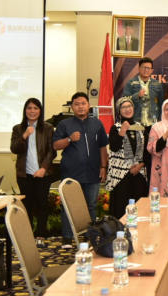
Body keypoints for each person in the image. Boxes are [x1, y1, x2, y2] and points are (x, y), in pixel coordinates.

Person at [52, 92, 109, 248]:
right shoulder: (64, 124)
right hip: (71, 172)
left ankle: (88, 236)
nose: (80, 107)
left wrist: (103, 166)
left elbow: (103, 147)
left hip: (92, 172)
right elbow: (55, 145)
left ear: (88, 105)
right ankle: (67, 238)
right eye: (77, 104)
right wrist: (70, 139)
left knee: (91, 205)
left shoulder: (97, 124)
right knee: (68, 205)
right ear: (72, 107)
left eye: (83, 103)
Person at [9, 98, 56, 246]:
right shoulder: (18, 129)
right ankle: (28, 236)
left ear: (40, 111)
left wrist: (43, 168)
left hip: (43, 174)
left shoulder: (48, 128)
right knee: (27, 205)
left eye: (35, 108)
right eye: (29, 108)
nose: (32, 111)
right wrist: (24, 136)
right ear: (25, 110)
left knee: (42, 204)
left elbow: (52, 150)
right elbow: (14, 149)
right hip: (24, 174)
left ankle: (40, 235)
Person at [123, 57, 163, 188]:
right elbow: (124, 101)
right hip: (137, 124)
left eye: (149, 68)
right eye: (144, 67)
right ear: (139, 68)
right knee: (137, 153)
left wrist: (161, 124)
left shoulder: (157, 84)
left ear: (152, 70)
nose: (146, 70)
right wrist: (136, 96)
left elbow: (162, 104)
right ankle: (137, 184)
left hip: (153, 124)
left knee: (152, 154)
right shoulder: (131, 83)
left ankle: (152, 184)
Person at [105, 97, 148, 218]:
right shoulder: (116, 128)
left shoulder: (141, 127)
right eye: (123, 107)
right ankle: (121, 229)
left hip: (138, 173)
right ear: (119, 111)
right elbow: (114, 148)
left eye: (129, 106)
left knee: (139, 207)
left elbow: (146, 150)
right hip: (121, 175)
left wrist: (141, 165)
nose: (127, 109)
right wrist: (122, 131)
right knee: (121, 208)